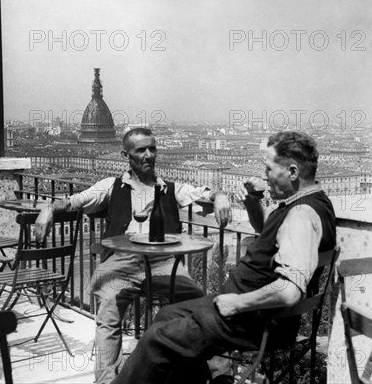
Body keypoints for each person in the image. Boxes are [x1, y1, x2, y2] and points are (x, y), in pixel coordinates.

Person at [112, 131, 337, 384]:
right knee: (167, 316)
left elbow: (289, 292)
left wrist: (238, 304)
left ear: (293, 172)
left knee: (157, 339)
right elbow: (269, 235)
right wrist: (253, 201)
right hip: (250, 313)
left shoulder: (301, 216)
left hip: (252, 321)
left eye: (269, 169)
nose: (264, 176)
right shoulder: (310, 202)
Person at [35, 127, 232, 384]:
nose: (149, 155)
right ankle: (107, 381)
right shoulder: (111, 186)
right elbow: (76, 201)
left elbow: (202, 193)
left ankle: (221, 376)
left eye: (152, 149)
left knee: (204, 309)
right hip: (121, 262)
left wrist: (220, 196)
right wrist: (49, 208)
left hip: (164, 263)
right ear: (125, 155)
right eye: (141, 150)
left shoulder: (171, 189)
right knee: (108, 311)